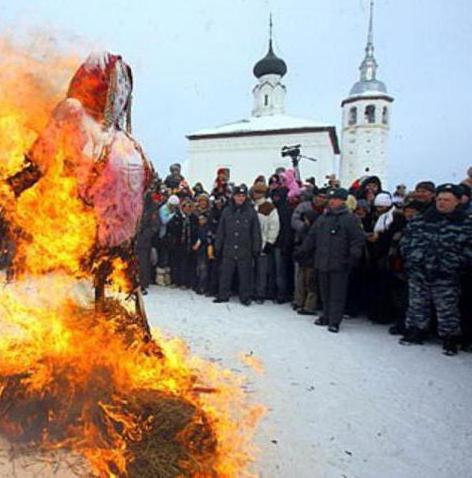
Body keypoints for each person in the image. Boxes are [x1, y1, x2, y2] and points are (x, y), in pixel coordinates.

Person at [400, 184, 472, 355]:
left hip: (447, 274)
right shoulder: (422, 219)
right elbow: (406, 241)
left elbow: (469, 249)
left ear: (457, 201)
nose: (442, 203)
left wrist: (455, 263)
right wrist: (412, 258)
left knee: (447, 308)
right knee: (417, 305)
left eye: (447, 200)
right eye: (439, 199)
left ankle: (450, 338)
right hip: (419, 272)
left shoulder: (465, 224)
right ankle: (416, 332)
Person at [301, 188, 365, 333]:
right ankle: (326, 315)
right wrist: (303, 250)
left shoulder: (350, 218)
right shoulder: (323, 218)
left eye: (335, 199)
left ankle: (335, 320)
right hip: (322, 261)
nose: (332, 201)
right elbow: (312, 237)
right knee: (324, 292)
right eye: (331, 199)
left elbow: (357, 239)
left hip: (340, 263)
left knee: (337, 293)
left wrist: (353, 256)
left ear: (343, 201)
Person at [214, 184, 262, 305]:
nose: (240, 198)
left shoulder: (251, 212)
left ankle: (245, 297)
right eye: (238, 196)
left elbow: (256, 232)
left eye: (243, 196)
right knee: (225, 274)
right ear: (233, 197)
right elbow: (221, 231)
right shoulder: (227, 211)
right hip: (229, 249)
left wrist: (256, 248)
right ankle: (223, 295)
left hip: (244, 250)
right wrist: (217, 246)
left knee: (245, 276)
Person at [251, 181, 280, 304]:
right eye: (255, 192)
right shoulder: (250, 206)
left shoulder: (269, 207)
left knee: (262, 271)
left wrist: (270, 242)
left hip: (263, 243)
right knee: (251, 269)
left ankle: (260, 293)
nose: (257, 194)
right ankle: (251, 290)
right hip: (250, 243)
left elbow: (274, 226)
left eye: (260, 192)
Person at [156, 194, 180, 286]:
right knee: (163, 257)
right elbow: (164, 220)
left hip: (171, 238)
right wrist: (173, 215)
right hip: (163, 236)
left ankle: (167, 277)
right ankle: (160, 278)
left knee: (168, 258)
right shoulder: (163, 209)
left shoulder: (174, 210)